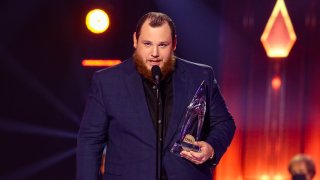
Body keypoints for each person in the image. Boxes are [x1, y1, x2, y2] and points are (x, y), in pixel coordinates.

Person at [77, 12, 236, 180]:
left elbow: (224, 123)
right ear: (135, 40)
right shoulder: (107, 81)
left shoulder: (201, 75)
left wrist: (211, 149)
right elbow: (90, 141)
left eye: (162, 45)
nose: (154, 53)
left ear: (174, 43)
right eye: (147, 44)